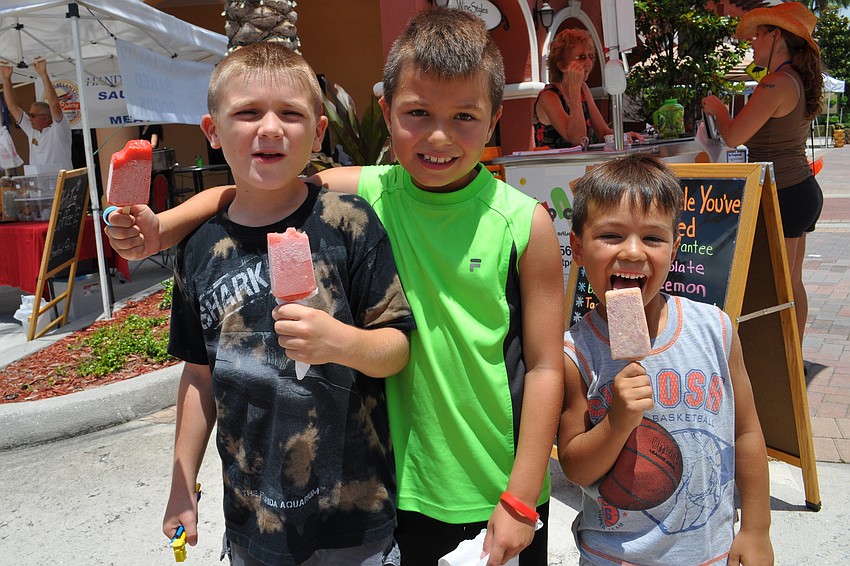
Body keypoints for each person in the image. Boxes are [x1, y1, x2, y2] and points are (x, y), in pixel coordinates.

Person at [106, 8, 564, 566]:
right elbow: (260, 191)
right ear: (388, 112)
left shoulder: (523, 223)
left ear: (493, 120)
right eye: (416, 112)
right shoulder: (374, 190)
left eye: (464, 116)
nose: (439, 135)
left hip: (496, 483)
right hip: (403, 490)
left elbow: (545, 367)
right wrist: (167, 227)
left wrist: (520, 497)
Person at [159, 42, 415, 565]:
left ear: (318, 132)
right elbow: (199, 375)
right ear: (212, 131)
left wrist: (339, 342)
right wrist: (181, 483)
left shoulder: (349, 222)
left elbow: (396, 348)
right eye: (248, 112)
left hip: (355, 514)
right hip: (255, 520)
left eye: (291, 114)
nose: (270, 128)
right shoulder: (200, 246)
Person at [558, 154, 773, 565]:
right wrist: (618, 420)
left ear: (675, 250)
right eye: (611, 236)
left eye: (653, 238)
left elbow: (745, 433)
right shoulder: (576, 353)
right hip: (613, 556)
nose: (633, 252)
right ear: (579, 249)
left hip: (709, 553)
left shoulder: (716, 330)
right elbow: (575, 467)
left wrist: (756, 528)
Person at [702, 2, 823, 348]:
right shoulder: (794, 80)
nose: (752, 43)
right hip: (800, 188)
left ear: (776, 36)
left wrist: (719, 110)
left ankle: (782, 363)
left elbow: (734, 135)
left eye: (758, 35)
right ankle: (792, 360)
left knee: (777, 288)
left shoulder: (774, 84)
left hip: (783, 193)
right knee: (792, 283)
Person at [534, 29, 641, 148]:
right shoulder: (549, 96)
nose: (589, 63)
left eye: (591, 56)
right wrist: (574, 88)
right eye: (581, 57)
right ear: (562, 66)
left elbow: (603, 132)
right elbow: (577, 139)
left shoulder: (583, 89)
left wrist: (625, 137)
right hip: (552, 165)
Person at [0, 57, 73, 171]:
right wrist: (6, 79)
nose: (30, 119)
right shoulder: (32, 130)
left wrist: (44, 75)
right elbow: (12, 107)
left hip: (62, 186)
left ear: (46, 117)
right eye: (30, 115)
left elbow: (54, 104)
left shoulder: (59, 129)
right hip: (41, 187)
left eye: (33, 115)